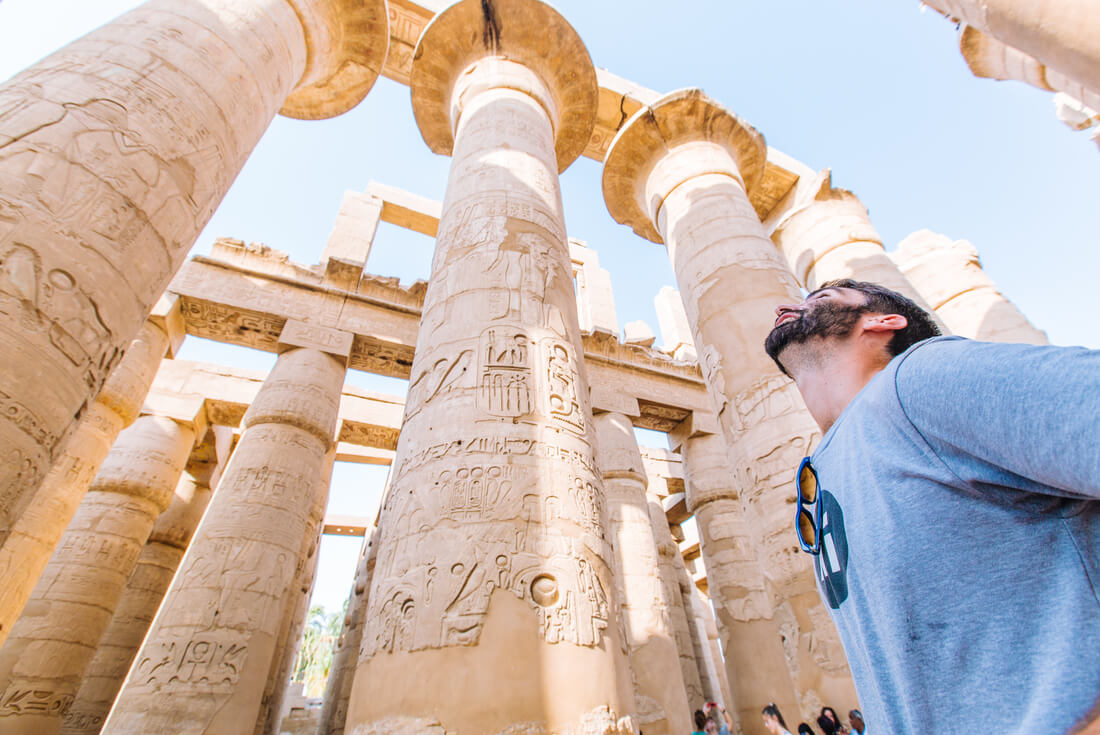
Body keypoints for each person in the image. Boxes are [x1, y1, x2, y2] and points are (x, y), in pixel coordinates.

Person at [763, 280, 1100, 734]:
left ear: (885, 322)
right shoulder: (822, 472)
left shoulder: (919, 379)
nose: (788, 305)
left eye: (820, 297)